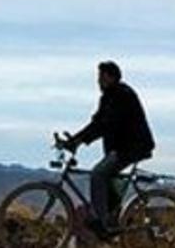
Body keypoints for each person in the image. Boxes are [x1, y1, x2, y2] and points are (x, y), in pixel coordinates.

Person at [59, 60, 155, 238]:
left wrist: (78, 140)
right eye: (98, 77)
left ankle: (100, 221)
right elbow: (97, 123)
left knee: (98, 174)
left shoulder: (121, 95)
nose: (98, 82)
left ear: (112, 77)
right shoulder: (110, 97)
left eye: (102, 77)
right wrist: (76, 139)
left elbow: (104, 124)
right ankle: (110, 220)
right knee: (107, 179)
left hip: (131, 147)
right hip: (124, 147)